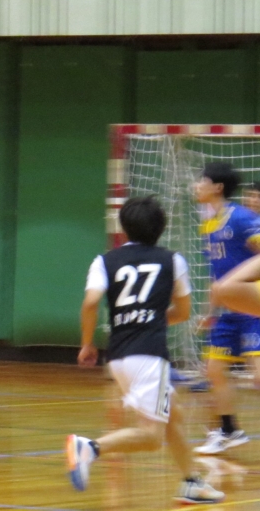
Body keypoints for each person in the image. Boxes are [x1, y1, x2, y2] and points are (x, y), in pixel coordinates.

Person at [66, 196, 224, 505]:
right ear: (160, 228)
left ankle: (191, 482)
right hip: (149, 354)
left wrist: (86, 343)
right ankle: (89, 448)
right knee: (151, 436)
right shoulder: (172, 260)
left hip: (118, 356)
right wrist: (153, 318)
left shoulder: (104, 261)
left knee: (173, 414)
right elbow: (183, 311)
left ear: (124, 227)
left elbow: (90, 303)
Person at [193, 162, 260, 454]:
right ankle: (229, 430)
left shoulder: (242, 218)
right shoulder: (208, 225)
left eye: (202, 181)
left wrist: (238, 285)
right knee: (214, 369)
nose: (197, 185)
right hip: (227, 311)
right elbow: (216, 275)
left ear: (217, 187)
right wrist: (209, 311)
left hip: (252, 305)